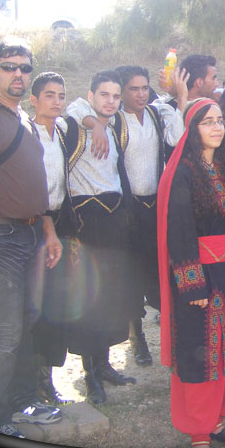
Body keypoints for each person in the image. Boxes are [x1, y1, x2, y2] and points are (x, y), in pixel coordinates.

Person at [0, 38, 64, 438]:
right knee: (4, 329)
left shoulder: (22, 116)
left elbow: (33, 182)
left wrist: (48, 229)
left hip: (30, 232)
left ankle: (23, 401)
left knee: (25, 321)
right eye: (9, 66)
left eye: (25, 67)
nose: (18, 74)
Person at [157, 98, 225, 448]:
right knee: (201, 351)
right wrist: (193, 286)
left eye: (220, 121)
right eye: (208, 122)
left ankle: (217, 420)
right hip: (200, 276)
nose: (217, 127)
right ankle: (198, 431)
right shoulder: (183, 172)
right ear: (192, 130)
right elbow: (179, 233)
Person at [67, 65, 186, 366]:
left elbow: (176, 136)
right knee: (130, 274)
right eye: (133, 89)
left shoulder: (157, 113)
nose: (140, 94)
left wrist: (181, 97)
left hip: (155, 206)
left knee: (158, 270)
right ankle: (137, 337)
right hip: (126, 209)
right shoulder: (113, 119)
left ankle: (172, 336)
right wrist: (94, 125)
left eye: (145, 88)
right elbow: (76, 106)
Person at [63, 70, 137, 404]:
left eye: (115, 96)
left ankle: (105, 364)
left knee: (110, 296)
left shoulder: (116, 124)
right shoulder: (75, 122)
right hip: (86, 220)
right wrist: (93, 124)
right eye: (103, 94)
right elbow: (74, 108)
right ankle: (90, 373)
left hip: (113, 219)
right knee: (89, 299)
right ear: (91, 95)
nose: (110, 101)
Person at [27, 72, 76, 405]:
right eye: (49, 95)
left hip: (59, 222)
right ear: (34, 100)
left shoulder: (61, 131)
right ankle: (30, 382)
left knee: (56, 302)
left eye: (60, 95)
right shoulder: (26, 133)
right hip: (32, 225)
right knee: (36, 304)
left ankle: (46, 379)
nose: (56, 101)